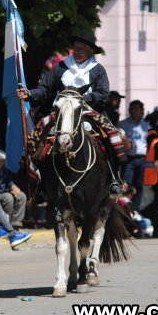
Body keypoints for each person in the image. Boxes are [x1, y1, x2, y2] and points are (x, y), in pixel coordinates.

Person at [17, 32, 127, 194]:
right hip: (60, 111)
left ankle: (114, 179)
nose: (78, 51)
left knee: (112, 137)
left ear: (90, 51)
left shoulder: (97, 70)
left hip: (88, 111)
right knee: (36, 138)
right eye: (76, 47)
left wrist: (82, 98)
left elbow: (103, 94)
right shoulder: (60, 67)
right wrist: (29, 94)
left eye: (82, 48)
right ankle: (38, 182)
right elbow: (45, 89)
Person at [119, 100, 150, 206]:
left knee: (139, 184)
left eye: (136, 108)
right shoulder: (123, 124)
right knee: (127, 184)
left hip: (143, 159)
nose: (133, 111)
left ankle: (136, 209)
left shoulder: (147, 124)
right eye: (131, 109)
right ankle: (125, 207)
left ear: (142, 110)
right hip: (129, 159)